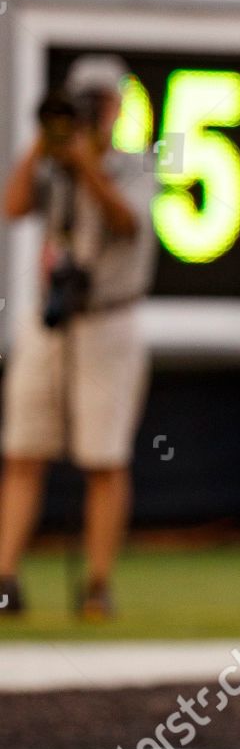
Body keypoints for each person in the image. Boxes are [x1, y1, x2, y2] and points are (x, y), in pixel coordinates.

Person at [0, 56, 156, 619]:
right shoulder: (53, 163)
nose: (91, 112)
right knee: (23, 449)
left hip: (109, 319)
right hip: (52, 319)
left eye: (99, 102)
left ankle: (96, 585)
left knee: (104, 456)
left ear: (116, 108)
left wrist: (87, 164)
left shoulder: (139, 164)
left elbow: (125, 222)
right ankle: (6, 578)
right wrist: (43, 146)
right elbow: (13, 206)